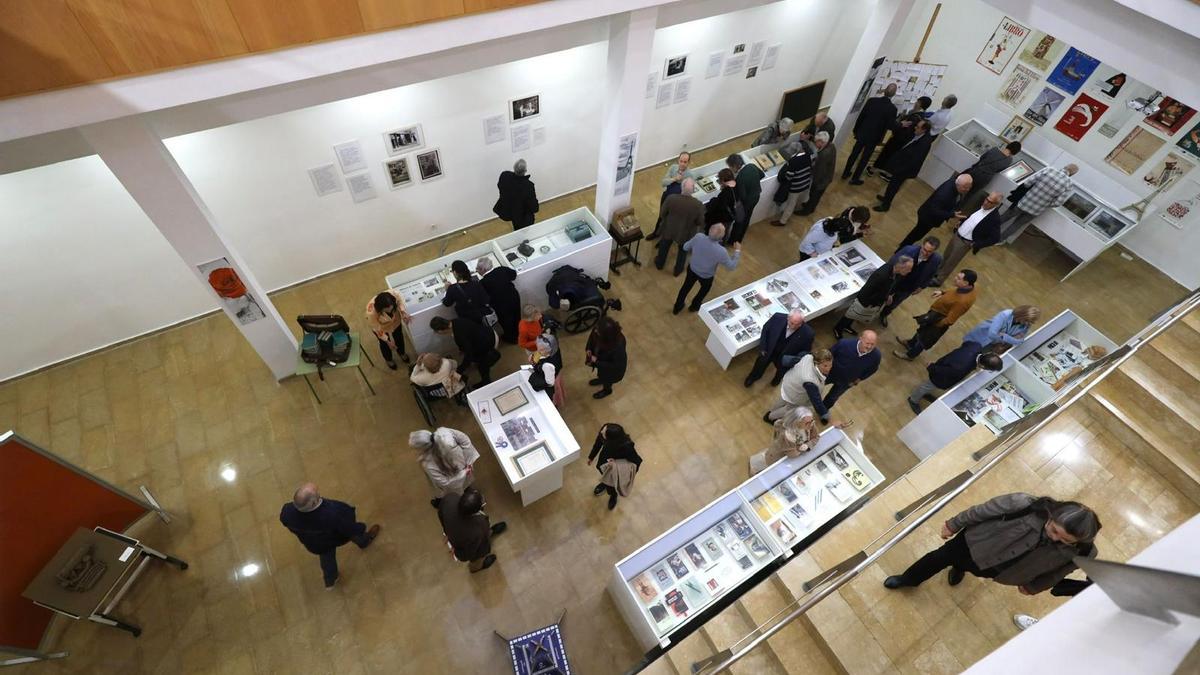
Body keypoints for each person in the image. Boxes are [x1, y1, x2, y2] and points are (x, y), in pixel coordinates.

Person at [883, 494, 1101, 595]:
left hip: (1002, 568)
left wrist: (1035, 587)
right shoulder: (1023, 504)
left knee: (976, 570)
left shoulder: (1084, 552)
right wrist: (953, 524)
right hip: (973, 544)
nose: (1055, 539)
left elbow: (1058, 574)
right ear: (1052, 515)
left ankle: (960, 569)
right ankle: (909, 579)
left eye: (1065, 541)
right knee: (937, 558)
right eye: (1054, 530)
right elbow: (981, 511)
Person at [279, 483, 380, 589]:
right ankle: (364, 541)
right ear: (314, 502)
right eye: (317, 494)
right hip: (335, 537)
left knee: (327, 560)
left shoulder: (286, 511)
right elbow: (348, 528)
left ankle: (330, 580)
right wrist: (361, 527)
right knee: (351, 535)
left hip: (314, 544)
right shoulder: (331, 515)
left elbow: (286, 522)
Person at [894, 269, 979, 360]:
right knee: (922, 330)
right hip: (936, 313)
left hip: (939, 320)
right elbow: (955, 291)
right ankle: (910, 343)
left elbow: (950, 320)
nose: (955, 278)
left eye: (958, 278)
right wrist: (943, 292)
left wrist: (935, 324)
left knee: (924, 339)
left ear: (966, 283)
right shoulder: (968, 288)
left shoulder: (963, 302)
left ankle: (910, 355)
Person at [905, 341, 1003, 413]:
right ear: (983, 366)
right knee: (927, 386)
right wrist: (931, 367)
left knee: (928, 386)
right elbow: (943, 372)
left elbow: (965, 344)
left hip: (945, 362)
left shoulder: (976, 346)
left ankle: (924, 394)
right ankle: (913, 399)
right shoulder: (961, 367)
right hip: (940, 375)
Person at [932, 191, 1004, 285]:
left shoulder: (995, 218)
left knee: (951, 262)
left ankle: (938, 281)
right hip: (957, 235)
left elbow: (995, 238)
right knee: (946, 255)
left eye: (990, 202)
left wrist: (977, 244)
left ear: (996, 204)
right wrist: (962, 222)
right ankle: (935, 273)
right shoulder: (981, 207)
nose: (986, 202)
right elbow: (972, 218)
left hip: (965, 242)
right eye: (987, 199)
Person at [833, 256, 914, 338]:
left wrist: (887, 296)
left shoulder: (896, 273)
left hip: (873, 301)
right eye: (909, 268)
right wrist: (870, 303)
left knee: (855, 315)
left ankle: (846, 326)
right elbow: (868, 290)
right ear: (901, 266)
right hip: (866, 301)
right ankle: (838, 328)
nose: (910, 271)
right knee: (853, 313)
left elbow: (886, 288)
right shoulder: (882, 275)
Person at [673, 224, 741, 314]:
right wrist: (737, 251)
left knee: (686, 287)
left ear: (709, 230)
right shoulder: (721, 251)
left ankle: (677, 307)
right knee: (703, 290)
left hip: (692, 269)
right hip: (706, 276)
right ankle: (694, 306)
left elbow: (685, 247)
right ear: (722, 236)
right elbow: (731, 266)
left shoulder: (699, 237)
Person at [998, 164, 1078, 240]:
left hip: (1024, 202)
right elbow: (1057, 203)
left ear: (1065, 166)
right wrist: (1044, 203)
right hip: (1036, 210)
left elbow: (1028, 183)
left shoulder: (1049, 169)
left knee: (1005, 216)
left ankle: (988, 229)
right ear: (1072, 174)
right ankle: (999, 240)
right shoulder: (1069, 184)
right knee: (1016, 225)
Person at [438, 487, 506, 573]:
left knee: (484, 532)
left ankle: (490, 532)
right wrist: (456, 552)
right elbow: (468, 554)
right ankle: (477, 567)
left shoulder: (450, 498)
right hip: (472, 544)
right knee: (476, 558)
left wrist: (447, 531)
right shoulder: (476, 530)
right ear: (476, 510)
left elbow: (440, 513)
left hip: (467, 534)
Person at [897, 174, 973, 248]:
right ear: (960, 185)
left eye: (969, 187)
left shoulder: (954, 183)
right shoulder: (944, 194)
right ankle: (902, 247)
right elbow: (934, 210)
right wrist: (952, 214)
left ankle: (904, 245)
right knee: (916, 235)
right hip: (927, 218)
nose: (967, 190)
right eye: (966, 188)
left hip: (929, 214)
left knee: (916, 234)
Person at [409, 428, 479, 508]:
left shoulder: (428, 463)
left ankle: (444, 502)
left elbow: (445, 483)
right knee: (465, 484)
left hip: (454, 480)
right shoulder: (444, 432)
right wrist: (468, 462)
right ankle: (466, 490)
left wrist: (464, 471)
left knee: (452, 495)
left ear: (422, 448)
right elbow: (465, 440)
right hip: (462, 467)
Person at [873, 119, 933, 212]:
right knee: (892, 185)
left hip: (904, 169)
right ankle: (886, 198)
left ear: (923, 130)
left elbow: (915, 160)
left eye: (917, 127)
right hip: (901, 165)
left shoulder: (924, 143)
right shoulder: (920, 135)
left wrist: (900, 170)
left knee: (894, 186)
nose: (915, 128)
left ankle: (885, 205)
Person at [880, 237, 942, 326]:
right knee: (883, 295)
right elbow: (892, 263)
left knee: (895, 302)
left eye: (929, 252)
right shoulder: (908, 250)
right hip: (896, 281)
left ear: (934, 251)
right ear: (922, 245)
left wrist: (922, 287)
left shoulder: (937, 259)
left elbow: (931, 274)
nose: (926, 253)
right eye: (924, 249)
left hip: (910, 286)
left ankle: (884, 314)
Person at [844, 83, 898, 183]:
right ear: (894, 94)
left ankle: (845, 173)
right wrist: (899, 124)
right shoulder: (892, 109)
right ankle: (855, 178)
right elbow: (890, 126)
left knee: (854, 154)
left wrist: (856, 130)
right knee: (865, 158)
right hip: (874, 137)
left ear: (884, 90)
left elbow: (861, 116)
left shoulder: (871, 101)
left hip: (862, 132)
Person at [744, 309, 815, 387]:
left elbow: (805, 351)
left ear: (802, 322)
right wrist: (763, 347)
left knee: (781, 372)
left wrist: (793, 360)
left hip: (786, 357)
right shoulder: (777, 317)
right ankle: (753, 377)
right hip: (769, 350)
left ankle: (776, 380)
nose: (793, 326)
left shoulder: (808, 333)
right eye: (791, 323)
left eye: (797, 324)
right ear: (788, 318)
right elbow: (765, 330)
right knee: (760, 365)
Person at [768, 349, 835, 424]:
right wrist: (825, 415)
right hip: (795, 395)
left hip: (789, 383)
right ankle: (771, 417)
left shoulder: (808, 357)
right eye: (825, 365)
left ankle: (771, 411)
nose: (828, 369)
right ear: (817, 363)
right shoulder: (810, 381)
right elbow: (816, 401)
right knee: (789, 409)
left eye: (830, 365)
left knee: (783, 398)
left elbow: (796, 360)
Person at [587, 423, 643, 510]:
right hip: (604, 463)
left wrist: (628, 475)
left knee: (613, 484)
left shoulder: (626, 446)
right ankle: (605, 483)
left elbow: (636, 461)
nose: (601, 432)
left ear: (612, 439)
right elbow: (598, 444)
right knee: (603, 473)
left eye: (603, 433)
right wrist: (591, 457)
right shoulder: (604, 434)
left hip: (616, 470)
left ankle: (613, 495)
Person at [430, 315, 501, 385]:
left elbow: (469, 355)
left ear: (440, 331)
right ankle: (485, 378)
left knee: (482, 365)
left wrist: (460, 369)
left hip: (489, 342)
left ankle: (486, 382)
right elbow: (468, 337)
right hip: (488, 332)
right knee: (480, 362)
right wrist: (463, 349)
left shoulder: (459, 335)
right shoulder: (456, 321)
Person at [749, 406, 819, 475]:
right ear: (797, 422)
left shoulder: (810, 424)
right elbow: (793, 454)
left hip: (790, 457)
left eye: (812, 421)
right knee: (763, 466)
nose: (811, 424)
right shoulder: (786, 435)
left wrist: (808, 445)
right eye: (807, 423)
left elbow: (816, 437)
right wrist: (800, 448)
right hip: (777, 457)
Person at [655, 177, 705, 275]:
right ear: (693, 189)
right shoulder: (698, 205)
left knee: (664, 246)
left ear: (681, 187)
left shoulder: (671, 198)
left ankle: (659, 263)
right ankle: (678, 270)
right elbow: (700, 222)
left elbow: (662, 214)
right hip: (686, 233)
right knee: (682, 252)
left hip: (669, 228)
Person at [824, 332, 881, 411]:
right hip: (830, 374)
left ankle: (823, 411)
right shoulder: (844, 344)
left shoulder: (876, 356)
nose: (869, 347)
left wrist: (859, 379)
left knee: (832, 397)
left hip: (846, 381)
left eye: (872, 344)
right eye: (867, 343)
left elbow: (873, 369)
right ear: (860, 339)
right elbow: (829, 355)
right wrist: (825, 368)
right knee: (815, 386)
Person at [647, 152, 696, 241]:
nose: (682, 164)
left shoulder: (690, 175)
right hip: (667, 196)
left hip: (677, 202)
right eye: (681, 161)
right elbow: (663, 182)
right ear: (678, 160)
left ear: (688, 162)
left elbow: (689, 193)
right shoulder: (673, 168)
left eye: (685, 162)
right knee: (661, 215)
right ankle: (656, 233)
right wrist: (674, 179)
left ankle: (663, 239)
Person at [477, 257, 520, 343]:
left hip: (500, 305)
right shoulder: (501, 269)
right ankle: (519, 333)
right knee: (517, 316)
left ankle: (511, 338)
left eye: (477, 268)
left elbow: (484, 298)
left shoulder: (482, 283)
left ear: (483, 269)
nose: (476, 270)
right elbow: (513, 275)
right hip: (513, 297)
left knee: (506, 322)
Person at [961, 305, 1041, 352]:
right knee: (965, 351)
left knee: (975, 358)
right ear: (1022, 315)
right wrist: (1011, 338)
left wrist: (1004, 336)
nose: (1028, 324)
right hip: (981, 337)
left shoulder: (1026, 325)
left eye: (1031, 322)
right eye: (1027, 320)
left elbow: (1019, 341)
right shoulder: (1005, 314)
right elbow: (991, 334)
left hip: (992, 345)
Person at [870, 110, 923, 180]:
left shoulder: (914, 117)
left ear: (920, 103)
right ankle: (887, 174)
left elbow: (902, 127)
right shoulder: (921, 117)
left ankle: (873, 169)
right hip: (904, 141)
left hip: (897, 139)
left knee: (885, 154)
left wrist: (899, 124)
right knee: (893, 157)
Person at [365, 289, 411, 369]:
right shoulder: (371, 312)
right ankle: (388, 359)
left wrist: (403, 312)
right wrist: (387, 341)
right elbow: (376, 328)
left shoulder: (394, 294)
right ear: (380, 309)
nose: (390, 311)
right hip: (381, 327)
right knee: (384, 344)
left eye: (391, 308)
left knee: (399, 336)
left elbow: (400, 302)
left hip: (395, 320)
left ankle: (401, 352)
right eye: (387, 310)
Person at [771, 141, 814, 226]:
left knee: (791, 204)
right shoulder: (807, 155)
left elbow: (789, 176)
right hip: (805, 183)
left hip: (796, 186)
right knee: (794, 202)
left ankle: (783, 221)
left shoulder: (794, 160)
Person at [585, 316, 627, 399]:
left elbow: (615, 365)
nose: (595, 330)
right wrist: (589, 348)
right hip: (601, 363)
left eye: (598, 331)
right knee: (602, 374)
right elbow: (591, 338)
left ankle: (607, 390)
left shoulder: (618, 346)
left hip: (611, 371)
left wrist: (596, 361)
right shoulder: (598, 330)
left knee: (607, 380)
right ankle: (601, 379)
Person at [727, 153, 764, 244]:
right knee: (747, 218)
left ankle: (733, 241)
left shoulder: (740, 178)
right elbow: (762, 175)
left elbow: (743, 196)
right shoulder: (751, 166)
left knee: (739, 221)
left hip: (746, 202)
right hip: (756, 196)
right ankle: (739, 239)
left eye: (730, 167)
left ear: (735, 166)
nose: (730, 169)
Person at [441, 260, 492, 326]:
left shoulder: (452, 288)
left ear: (455, 272)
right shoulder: (476, 283)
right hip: (483, 317)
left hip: (468, 321)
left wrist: (446, 290)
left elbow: (447, 303)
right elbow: (486, 298)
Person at [493, 159, 539, 230]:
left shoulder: (505, 176)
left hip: (509, 209)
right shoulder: (528, 185)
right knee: (524, 229)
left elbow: (500, 186)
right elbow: (534, 207)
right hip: (521, 216)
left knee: (516, 224)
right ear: (525, 171)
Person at [799, 131, 837, 215]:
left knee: (814, 194)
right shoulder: (831, 145)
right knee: (816, 196)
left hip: (821, 180)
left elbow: (819, 171)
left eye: (816, 142)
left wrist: (814, 180)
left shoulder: (824, 154)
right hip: (826, 177)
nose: (815, 144)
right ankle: (811, 206)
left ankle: (806, 211)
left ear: (821, 142)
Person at [528, 334, 563, 405]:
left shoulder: (547, 366)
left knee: (551, 399)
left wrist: (536, 380)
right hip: (555, 374)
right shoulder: (554, 348)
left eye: (541, 350)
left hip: (550, 380)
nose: (538, 351)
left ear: (549, 349)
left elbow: (550, 383)